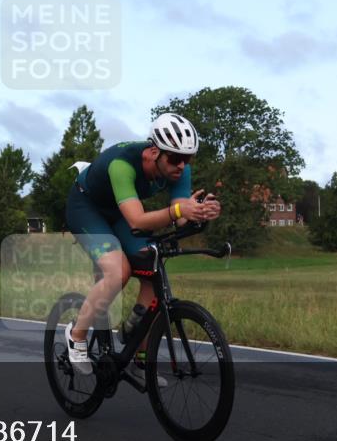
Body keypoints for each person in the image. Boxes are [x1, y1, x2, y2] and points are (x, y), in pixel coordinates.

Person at [64, 113, 222, 384]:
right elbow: (138, 220)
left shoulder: (179, 169)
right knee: (119, 272)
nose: (181, 166)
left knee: (152, 262)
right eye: (174, 158)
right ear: (153, 152)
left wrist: (198, 212)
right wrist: (177, 210)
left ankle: (137, 350)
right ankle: (76, 335)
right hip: (87, 207)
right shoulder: (122, 165)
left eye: (187, 159)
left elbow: (180, 214)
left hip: (120, 211)